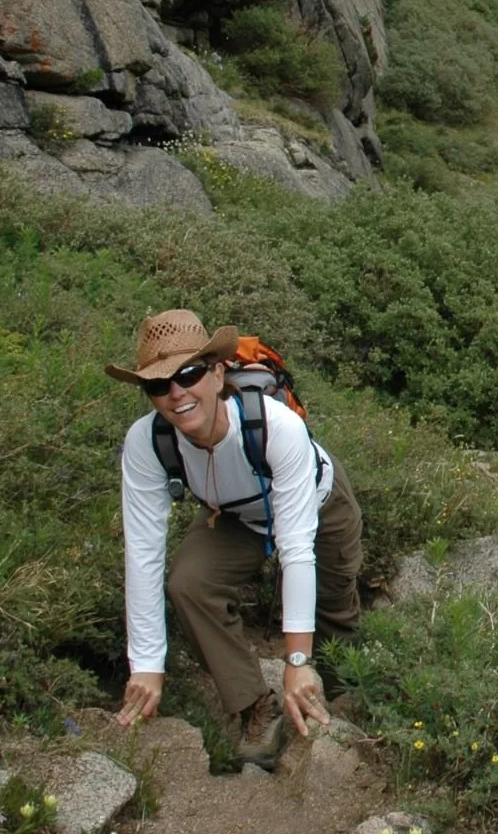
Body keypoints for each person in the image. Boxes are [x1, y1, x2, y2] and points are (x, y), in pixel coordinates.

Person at [105, 309, 364, 768]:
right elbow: (143, 552)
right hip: (235, 515)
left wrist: (297, 661)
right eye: (158, 385)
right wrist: (146, 665)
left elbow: (297, 549)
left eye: (188, 374)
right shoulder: (147, 444)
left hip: (319, 506)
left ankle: (344, 705)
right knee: (190, 584)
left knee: (333, 610)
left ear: (218, 371)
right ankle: (253, 705)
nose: (176, 394)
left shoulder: (275, 427)